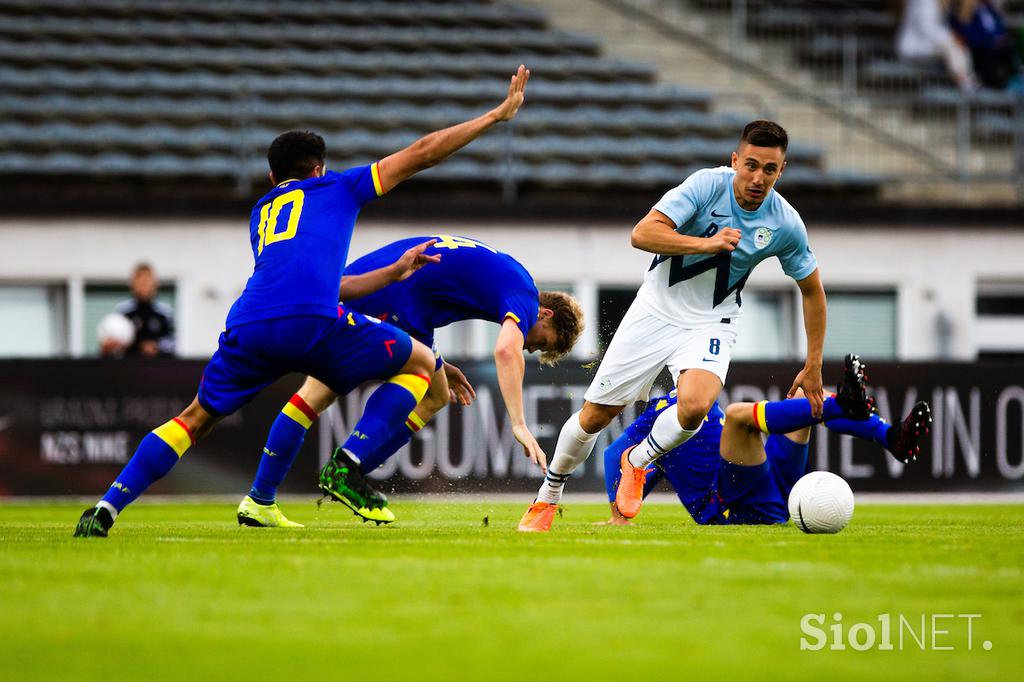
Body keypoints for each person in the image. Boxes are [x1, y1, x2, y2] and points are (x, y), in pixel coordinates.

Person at [73, 65, 532, 538]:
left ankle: (109, 507)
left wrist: (391, 274)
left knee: (194, 419)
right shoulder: (339, 186)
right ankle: (350, 466)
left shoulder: (260, 213)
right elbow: (421, 154)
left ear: (273, 176)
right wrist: (495, 116)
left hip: (250, 322)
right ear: (319, 169)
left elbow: (320, 282)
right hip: (312, 322)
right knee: (421, 363)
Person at [519, 120, 827, 532]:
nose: (757, 178)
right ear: (735, 160)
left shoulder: (785, 223)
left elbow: (812, 291)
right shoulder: (704, 186)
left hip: (712, 320)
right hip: (655, 309)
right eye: (750, 165)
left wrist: (814, 363)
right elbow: (642, 233)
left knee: (696, 406)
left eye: (769, 170)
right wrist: (706, 243)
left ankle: (638, 460)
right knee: (595, 417)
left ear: (781, 170)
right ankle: (547, 497)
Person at [236, 235, 584, 527]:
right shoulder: (525, 299)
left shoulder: (512, 274)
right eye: (542, 341)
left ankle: (261, 500)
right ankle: (346, 470)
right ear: (545, 314)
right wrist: (519, 423)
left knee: (435, 392)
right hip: (390, 294)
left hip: (387, 291)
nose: (532, 347)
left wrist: (439, 361)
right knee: (409, 375)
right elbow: (506, 351)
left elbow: (440, 284)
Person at [597, 355, 932, 527]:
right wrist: (621, 513)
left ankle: (890, 437)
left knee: (804, 395)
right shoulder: (658, 411)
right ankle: (843, 403)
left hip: (762, 480)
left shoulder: (702, 400)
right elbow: (617, 457)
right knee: (742, 415)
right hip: (730, 504)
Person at [896, 0, 978, 92]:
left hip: (926, 44)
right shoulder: (925, 2)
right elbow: (926, 28)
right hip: (912, 46)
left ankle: (966, 79)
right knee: (952, 47)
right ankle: (964, 82)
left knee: (959, 47)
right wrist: (951, 38)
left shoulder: (940, 4)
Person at [102, 262, 176, 357]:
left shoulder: (165, 313)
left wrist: (156, 346)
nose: (144, 282)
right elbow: (113, 344)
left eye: (148, 278)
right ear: (132, 284)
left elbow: (173, 342)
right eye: (139, 278)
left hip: (158, 369)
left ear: (156, 283)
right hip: (129, 368)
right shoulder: (123, 312)